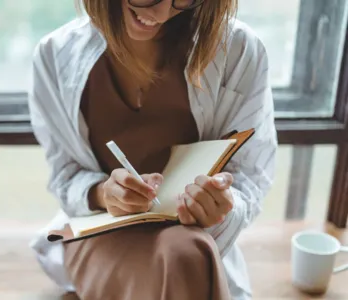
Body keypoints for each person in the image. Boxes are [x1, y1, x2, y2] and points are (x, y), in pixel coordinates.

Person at [29, 0, 277, 299]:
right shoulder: (54, 55)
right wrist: (104, 193)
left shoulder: (239, 50)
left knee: (185, 251)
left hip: (193, 236)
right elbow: (64, 175)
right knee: (187, 259)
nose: (160, 13)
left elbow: (250, 175)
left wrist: (221, 205)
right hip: (98, 231)